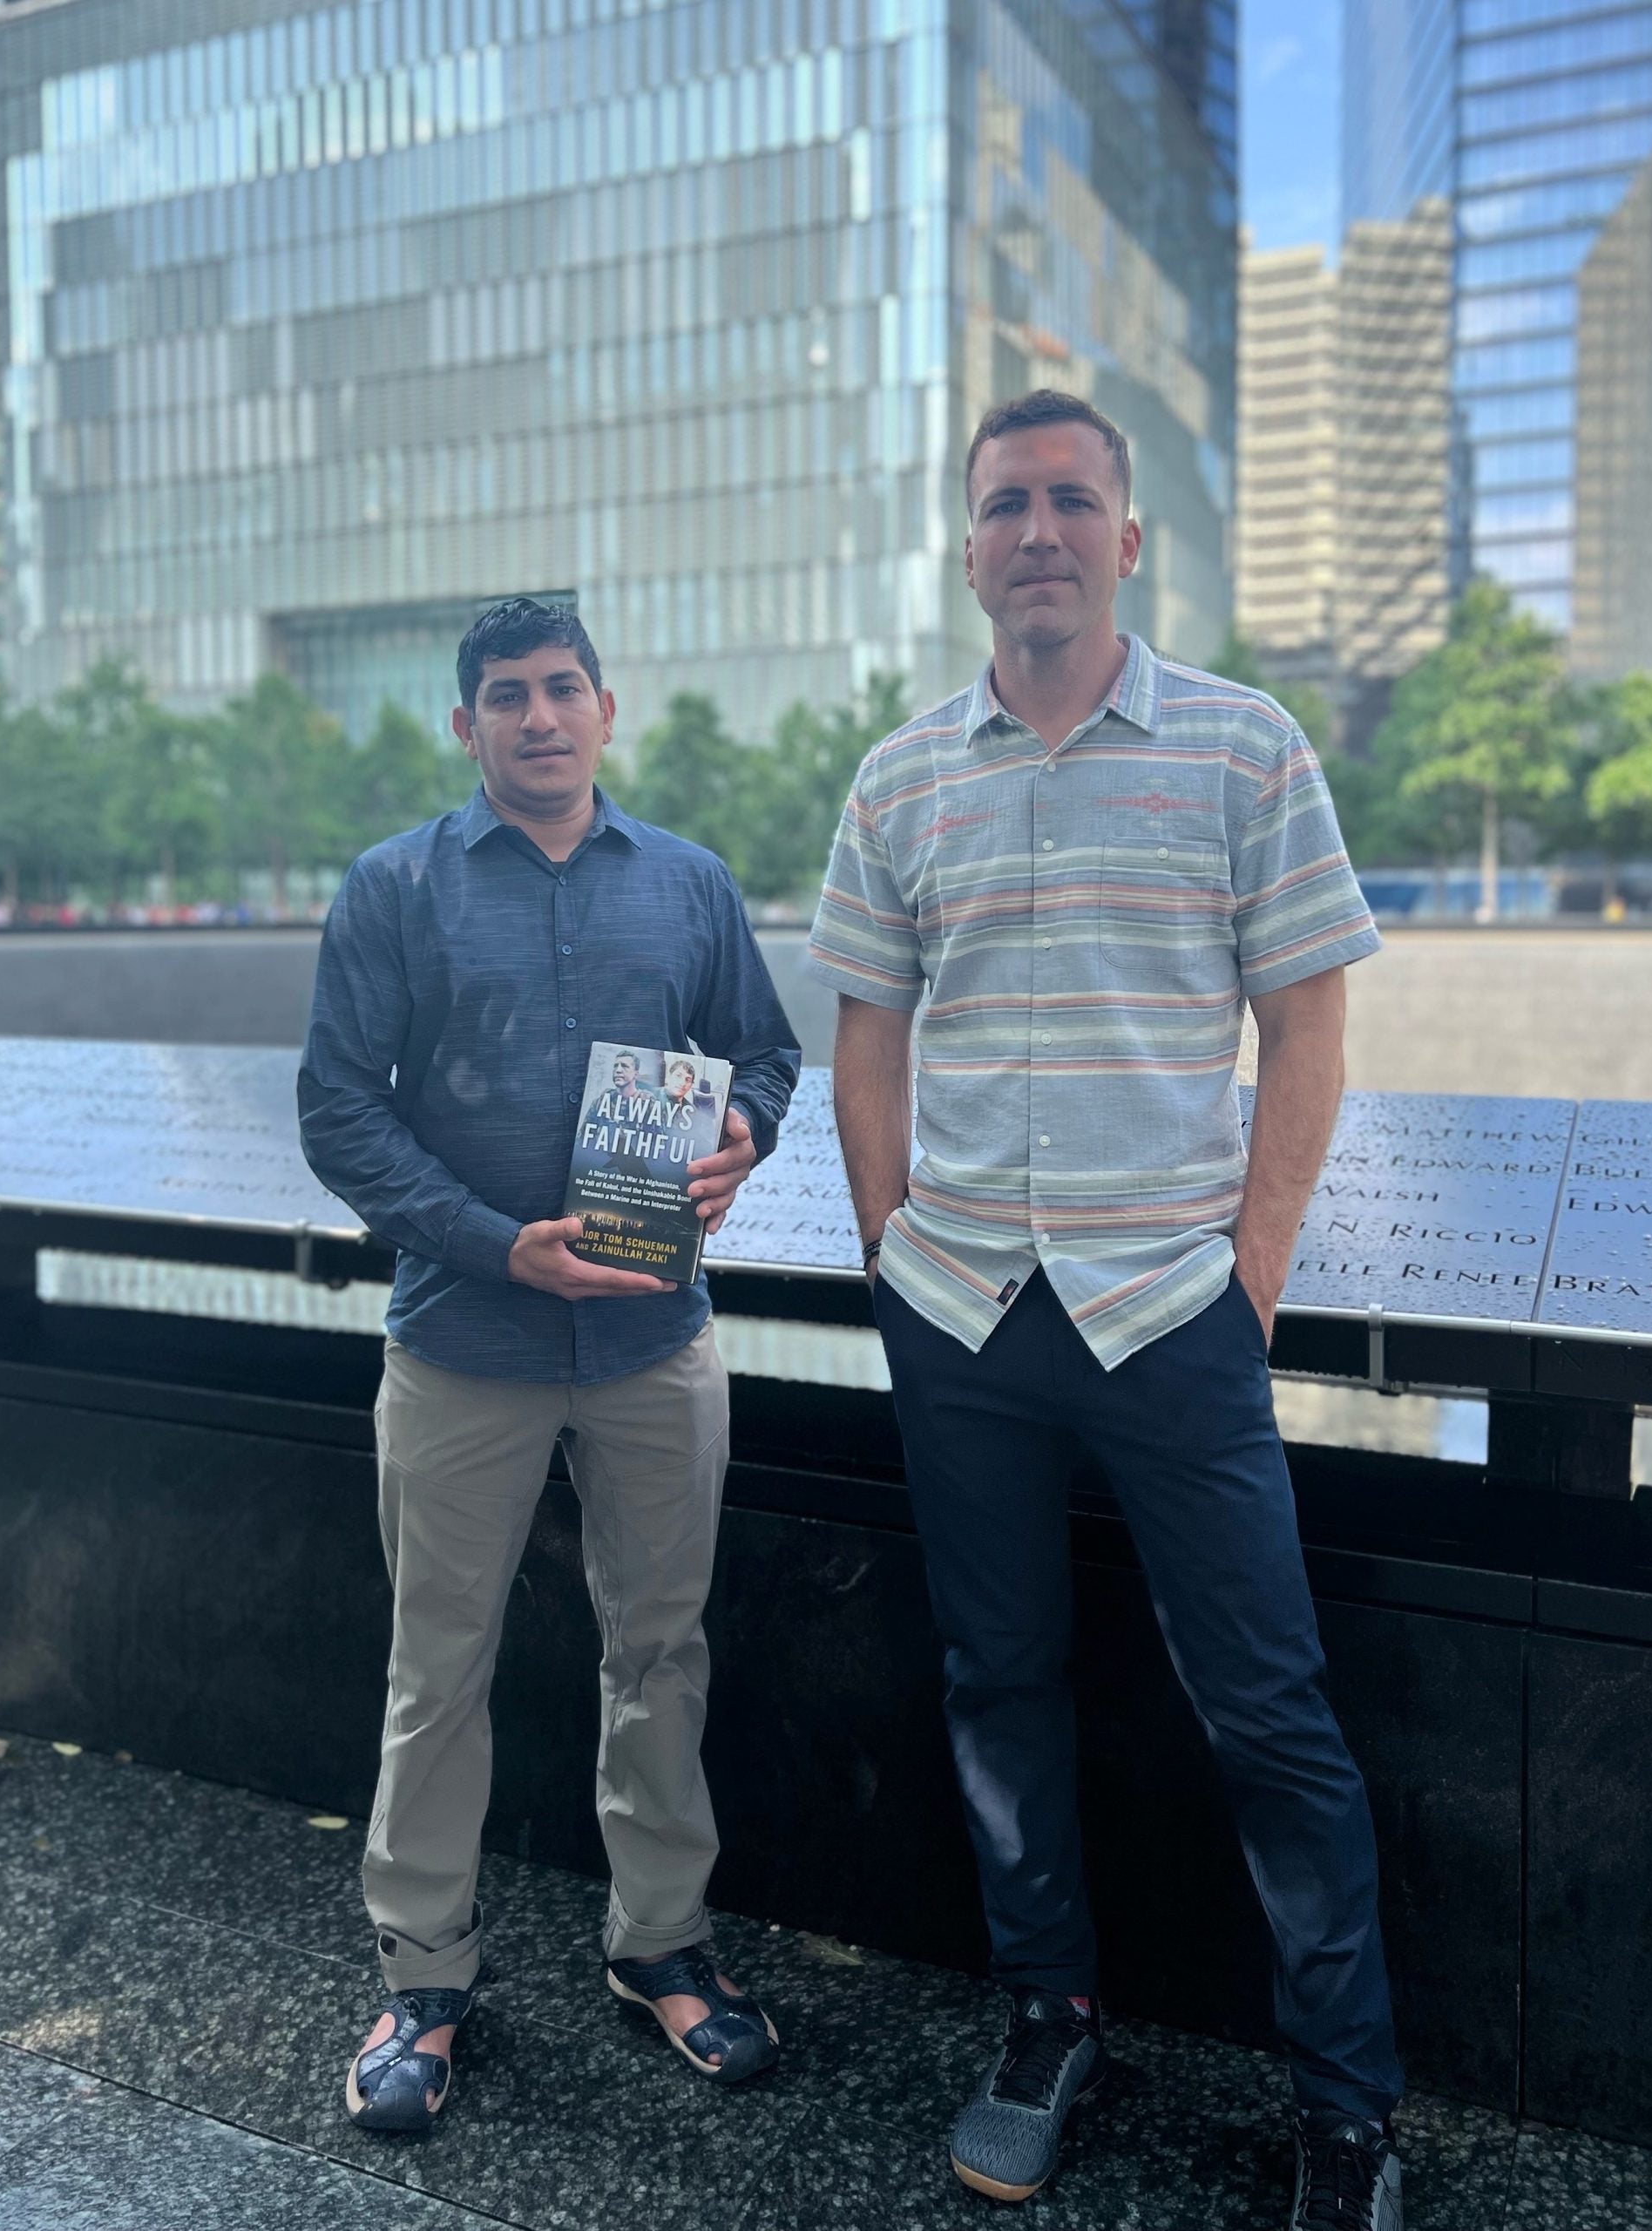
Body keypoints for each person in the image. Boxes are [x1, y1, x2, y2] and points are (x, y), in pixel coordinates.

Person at [808, 392, 1405, 2230]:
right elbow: (867, 1038)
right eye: (1007, 504)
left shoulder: (1243, 748)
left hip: (1174, 1311)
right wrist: (897, 1248)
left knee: (1270, 1708)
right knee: (997, 1683)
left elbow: (1308, 1016)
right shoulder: (903, 777)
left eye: (1075, 499)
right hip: (965, 1312)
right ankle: (1049, 2013)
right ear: (968, 547)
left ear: (1129, 541)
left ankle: (1349, 2103)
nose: (1041, 529)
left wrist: (1258, 1266)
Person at [300, 596, 801, 2132]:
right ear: (467, 725)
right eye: (505, 695)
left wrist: (743, 1139)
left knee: (660, 1650)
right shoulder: (394, 889)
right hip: (464, 1339)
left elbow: (768, 1057)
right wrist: (491, 1239)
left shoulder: (695, 888)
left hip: (654, 1341)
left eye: (561, 688)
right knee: (435, 1670)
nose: (537, 716)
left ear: (605, 708)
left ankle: (659, 1945)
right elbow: (340, 1113)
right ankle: (423, 1982)